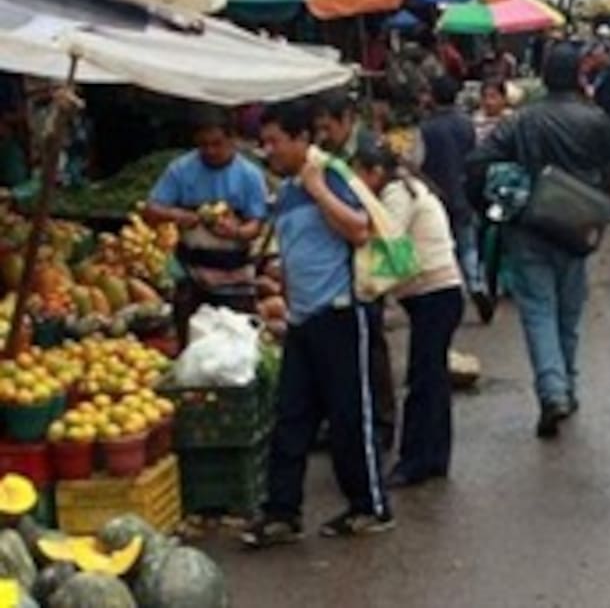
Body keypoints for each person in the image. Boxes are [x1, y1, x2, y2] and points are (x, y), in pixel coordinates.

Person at [244, 99, 392, 548]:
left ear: (302, 139)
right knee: (290, 417)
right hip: (304, 320)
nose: (268, 150)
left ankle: (370, 506)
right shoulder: (286, 191)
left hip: (343, 313)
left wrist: (318, 188)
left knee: (350, 416)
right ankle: (281, 513)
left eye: (276, 141)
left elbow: (360, 229)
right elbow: (291, 254)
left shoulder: (330, 175)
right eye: (264, 141)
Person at [467, 43, 610, 439]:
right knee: (569, 311)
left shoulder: (523, 120)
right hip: (578, 225)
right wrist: (601, 194)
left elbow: (477, 161)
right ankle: (566, 386)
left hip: (530, 223)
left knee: (538, 311)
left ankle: (552, 391)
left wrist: (491, 204)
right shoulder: (595, 120)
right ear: (579, 76)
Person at [355, 141, 466, 486]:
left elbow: (388, 238)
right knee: (431, 378)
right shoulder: (406, 186)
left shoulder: (396, 194)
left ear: (375, 172)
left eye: (360, 177)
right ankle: (434, 456)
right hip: (437, 294)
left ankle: (415, 461)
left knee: (423, 379)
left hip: (434, 293)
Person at [144, 106, 267, 345]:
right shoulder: (181, 170)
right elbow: (151, 210)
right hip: (191, 277)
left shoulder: (249, 175)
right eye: (203, 145)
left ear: (233, 140)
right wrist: (177, 215)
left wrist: (238, 232)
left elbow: (256, 225)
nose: (210, 151)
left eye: (217, 144)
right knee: (190, 344)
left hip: (235, 279)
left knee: (236, 345)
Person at [420, 76, 490, 322]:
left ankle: (456, 295)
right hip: (465, 192)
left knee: (445, 250)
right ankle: (477, 285)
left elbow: (419, 163)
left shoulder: (426, 129)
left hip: (438, 196)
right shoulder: (466, 124)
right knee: (468, 246)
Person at [313, 90, 372, 163]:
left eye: (327, 128)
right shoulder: (326, 151)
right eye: (318, 130)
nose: (322, 136)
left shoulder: (368, 149)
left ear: (345, 119)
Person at [472, 78, 512, 145]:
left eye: (493, 97)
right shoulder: (472, 123)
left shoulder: (512, 122)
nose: (488, 102)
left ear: (504, 98)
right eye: (484, 97)